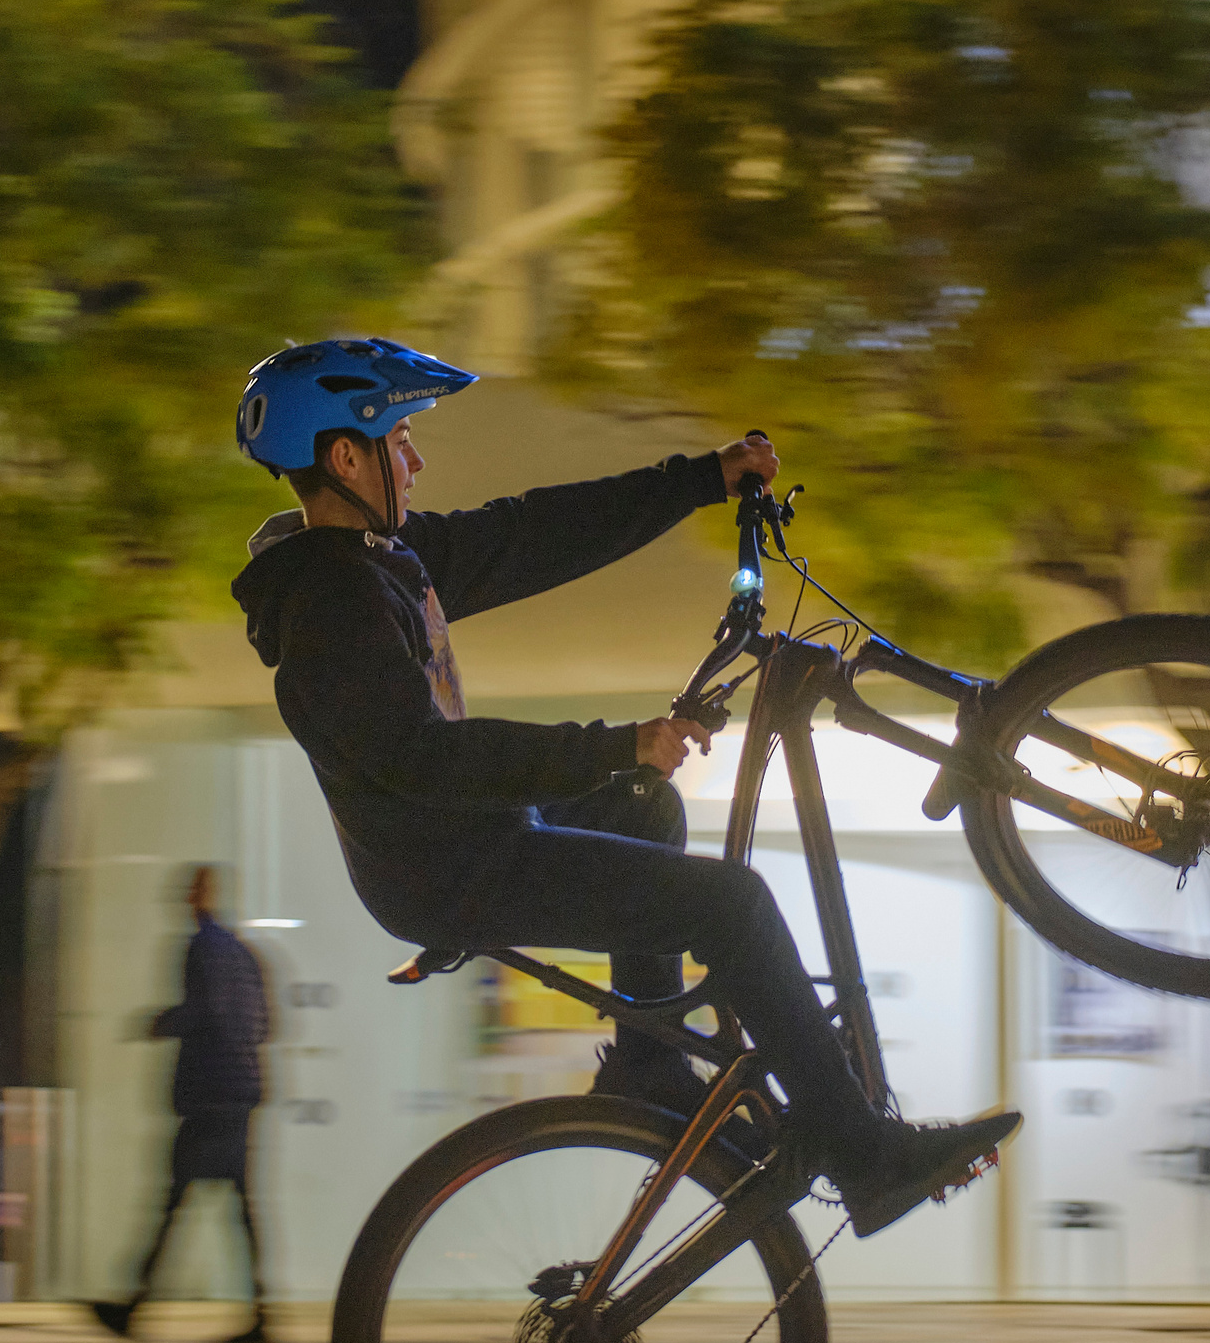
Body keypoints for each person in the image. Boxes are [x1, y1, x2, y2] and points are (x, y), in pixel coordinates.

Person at [227, 339, 1016, 1238]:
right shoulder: (331, 606)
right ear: (346, 456)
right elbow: (424, 757)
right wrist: (612, 744)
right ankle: (865, 1156)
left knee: (646, 806)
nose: (416, 459)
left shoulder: (384, 557)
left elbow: (538, 530)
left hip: (461, 828)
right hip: (447, 864)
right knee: (735, 907)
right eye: (400, 438)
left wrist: (699, 480)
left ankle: (647, 1065)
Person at [91, 865, 272, 1343]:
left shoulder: (199, 947)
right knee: (235, 1207)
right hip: (239, 1091)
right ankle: (260, 1311)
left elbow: (203, 1011)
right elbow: (265, 1022)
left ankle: (134, 1307)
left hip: (209, 1093)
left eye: (189, 891)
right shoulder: (244, 953)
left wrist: (159, 1022)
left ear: (199, 897)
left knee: (173, 1203)